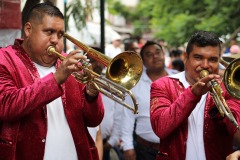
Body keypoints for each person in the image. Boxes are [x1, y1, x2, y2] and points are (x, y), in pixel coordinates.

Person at [0, 3, 104, 160]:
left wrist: (91, 96)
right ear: (28, 30)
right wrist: (57, 78)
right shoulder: (5, 59)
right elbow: (7, 107)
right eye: (49, 32)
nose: (55, 40)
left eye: (61, 34)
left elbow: (94, 120)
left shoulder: (71, 65)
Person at [150, 30, 240, 160]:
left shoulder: (229, 88)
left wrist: (222, 108)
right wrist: (193, 94)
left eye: (213, 59)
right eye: (198, 57)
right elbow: (161, 128)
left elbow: (237, 135)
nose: (205, 65)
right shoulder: (162, 85)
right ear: (186, 57)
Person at [121, 41, 178, 160]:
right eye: (149, 54)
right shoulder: (134, 84)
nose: (155, 56)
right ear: (143, 60)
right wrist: (128, 147)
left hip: (176, 148)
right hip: (144, 150)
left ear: (164, 54)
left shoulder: (178, 79)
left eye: (158, 52)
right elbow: (127, 117)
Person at [88, 47, 123, 160]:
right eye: (93, 61)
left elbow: (118, 116)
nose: (98, 64)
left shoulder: (112, 85)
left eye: (101, 60)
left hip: (106, 143)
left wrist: (112, 141)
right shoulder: (77, 83)